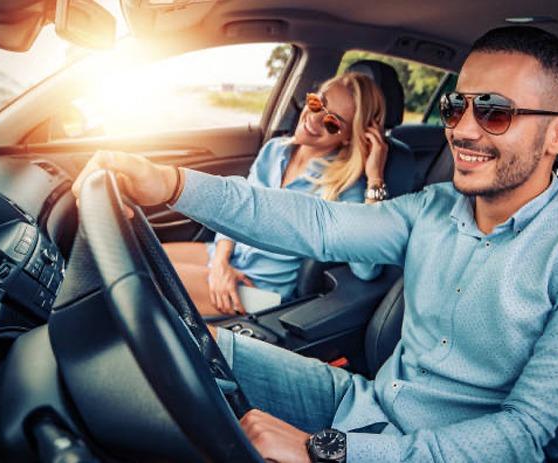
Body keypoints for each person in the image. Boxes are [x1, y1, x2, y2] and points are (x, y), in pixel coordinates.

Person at [72, 26, 558, 463]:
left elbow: (531, 438)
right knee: (179, 340)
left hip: (429, 452)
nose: (465, 130)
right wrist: (171, 184)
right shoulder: (435, 207)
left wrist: (326, 451)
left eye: (495, 112)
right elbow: (316, 224)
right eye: (458, 105)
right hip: (361, 402)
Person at [162, 72, 389, 316]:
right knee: (140, 252)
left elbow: (367, 269)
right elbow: (234, 208)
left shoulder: (344, 188)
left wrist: (375, 178)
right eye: (317, 103)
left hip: (258, 288)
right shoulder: (274, 150)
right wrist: (220, 263)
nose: (314, 118)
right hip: (229, 257)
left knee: (146, 278)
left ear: (349, 138)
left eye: (333, 122)